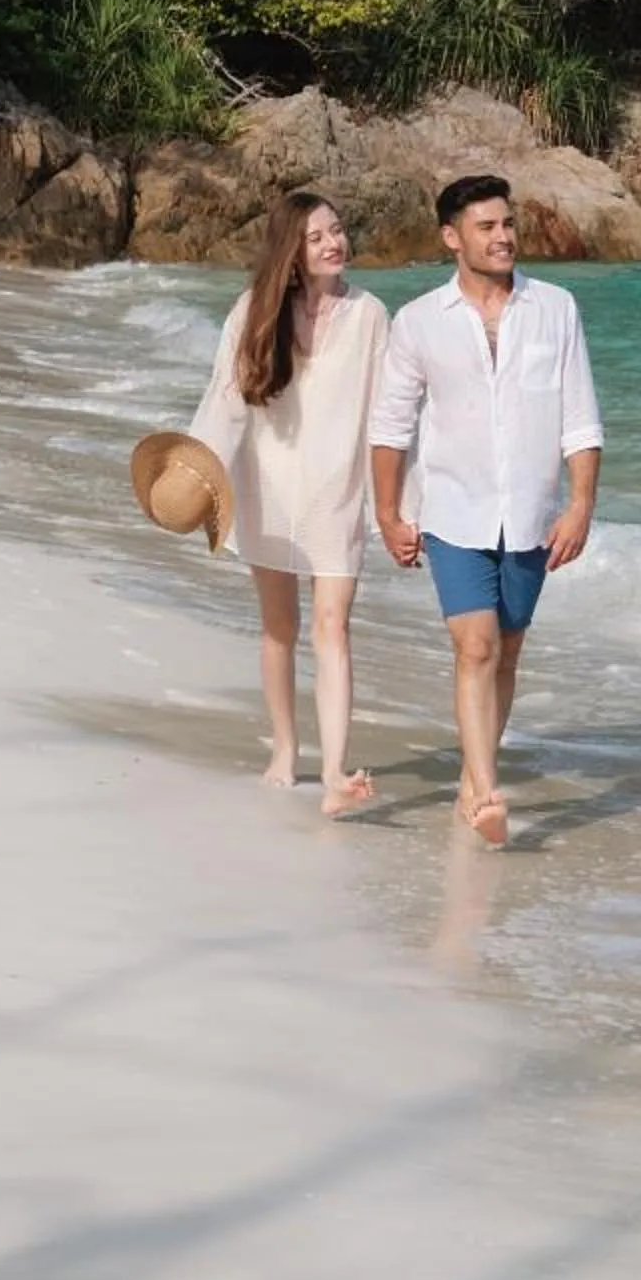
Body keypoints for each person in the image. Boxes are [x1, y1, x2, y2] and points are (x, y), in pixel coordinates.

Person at [369, 175, 603, 848]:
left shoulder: (555, 308)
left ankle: (472, 785)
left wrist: (580, 503)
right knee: (475, 647)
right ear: (452, 237)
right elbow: (390, 426)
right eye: (487, 227)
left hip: (530, 513)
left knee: (506, 652)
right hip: (452, 511)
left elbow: (580, 417)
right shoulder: (419, 321)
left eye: (508, 224)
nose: (504, 237)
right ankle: (486, 790)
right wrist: (388, 515)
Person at [189, 190, 391, 817]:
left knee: (334, 626)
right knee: (280, 626)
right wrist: (198, 477)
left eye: (338, 230)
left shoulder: (369, 314)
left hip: (337, 490)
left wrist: (397, 503)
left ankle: (334, 771)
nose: (334, 243)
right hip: (267, 485)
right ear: (291, 251)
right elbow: (225, 401)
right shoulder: (253, 309)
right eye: (316, 237)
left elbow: (387, 415)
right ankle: (285, 746)